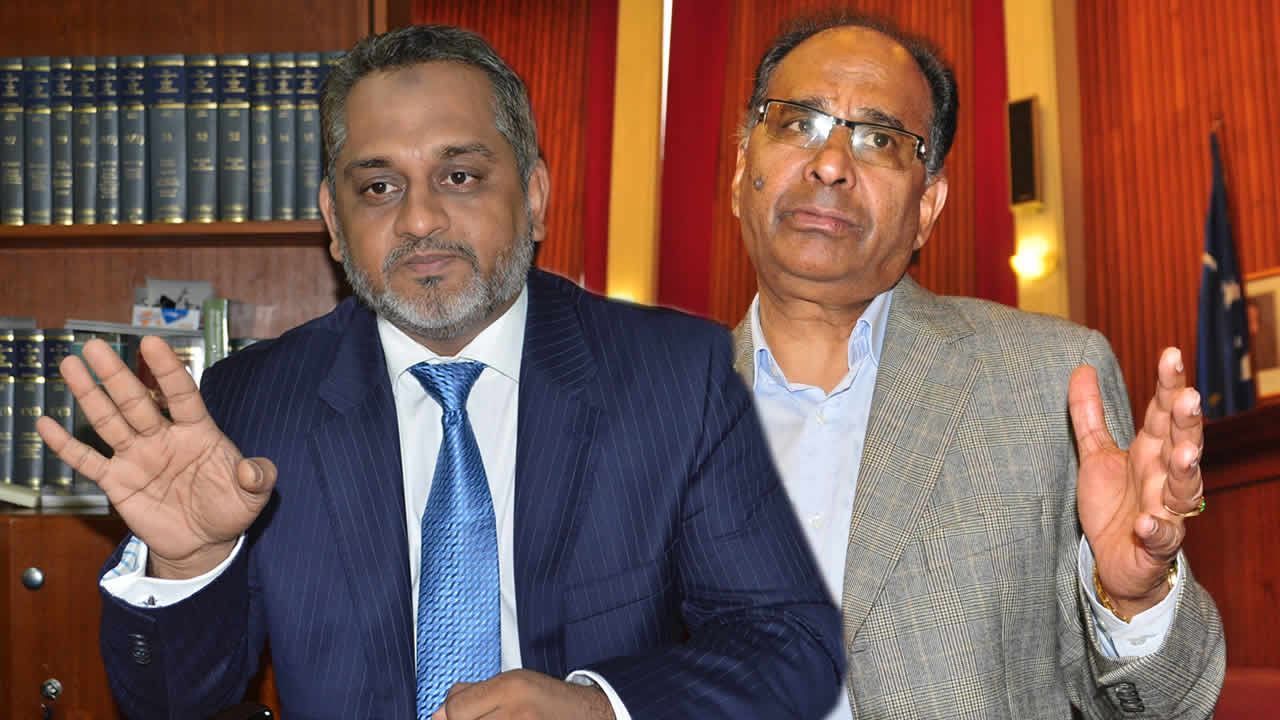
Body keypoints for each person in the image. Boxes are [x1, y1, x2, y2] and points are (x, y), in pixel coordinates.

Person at [37, 25, 844, 720]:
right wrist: (187, 567)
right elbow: (170, 703)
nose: (419, 219)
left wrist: (602, 705)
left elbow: (789, 646)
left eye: (459, 177)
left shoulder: (677, 376)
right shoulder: (252, 400)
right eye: (379, 186)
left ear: (534, 196)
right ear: (333, 223)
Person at [725, 13, 1225, 719]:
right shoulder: (650, 412)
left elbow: (1168, 705)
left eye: (878, 138)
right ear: (741, 172)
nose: (830, 163)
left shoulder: (1050, 383)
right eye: (798, 122)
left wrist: (1133, 600)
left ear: (927, 207)